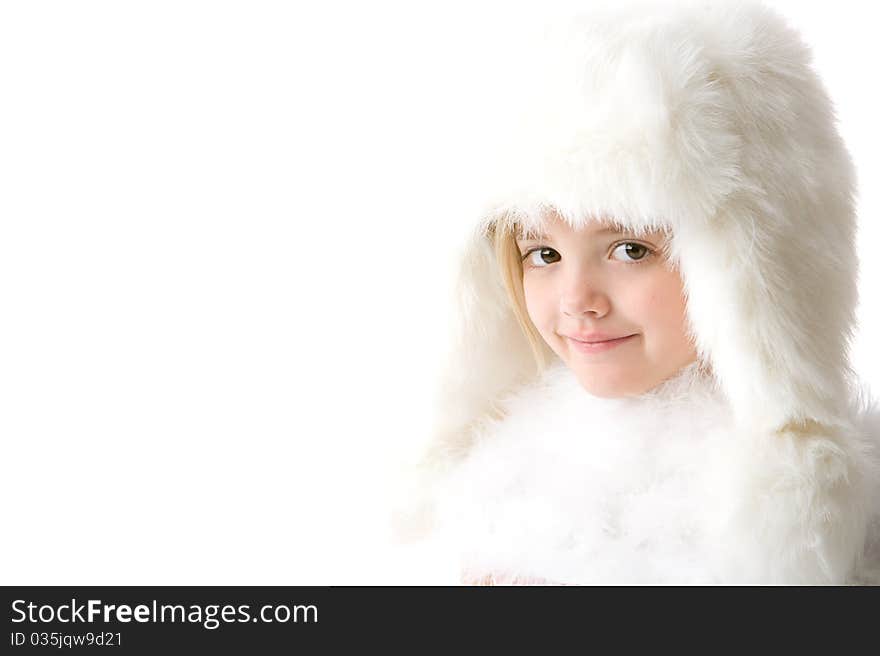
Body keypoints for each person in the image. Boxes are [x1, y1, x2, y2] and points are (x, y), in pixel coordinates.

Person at [394, 0, 880, 584]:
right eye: (542, 254)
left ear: (751, 274)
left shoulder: (815, 534)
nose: (577, 299)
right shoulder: (502, 499)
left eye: (630, 249)